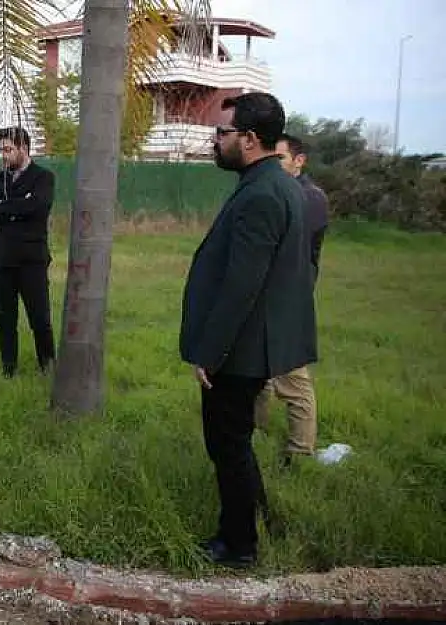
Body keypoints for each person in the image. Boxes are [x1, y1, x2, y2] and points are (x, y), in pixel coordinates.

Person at [179, 93, 317, 568]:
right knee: (235, 441)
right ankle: (258, 517)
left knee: (227, 445)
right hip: (254, 344)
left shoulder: (262, 194)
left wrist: (209, 353)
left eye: (222, 134)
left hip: (240, 351)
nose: (215, 142)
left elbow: (243, 286)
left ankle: (238, 545)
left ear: (251, 140)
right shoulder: (274, 183)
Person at [254, 133, 330, 463]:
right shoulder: (282, 191)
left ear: (299, 161)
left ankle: (300, 452)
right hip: (268, 296)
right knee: (259, 371)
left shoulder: (309, 197)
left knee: (292, 376)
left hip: (288, 299)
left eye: (281, 159)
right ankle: (255, 431)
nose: (275, 165)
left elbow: (288, 248)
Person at [0, 126, 56, 377]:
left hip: (31, 261)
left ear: (23, 149)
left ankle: (47, 366)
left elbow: (36, 208)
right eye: (1, 149)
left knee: (40, 318)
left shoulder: (43, 178)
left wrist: (3, 206)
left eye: (7, 150)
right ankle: (8, 370)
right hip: (1, 260)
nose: (3, 155)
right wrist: (14, 208)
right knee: (6, 320)